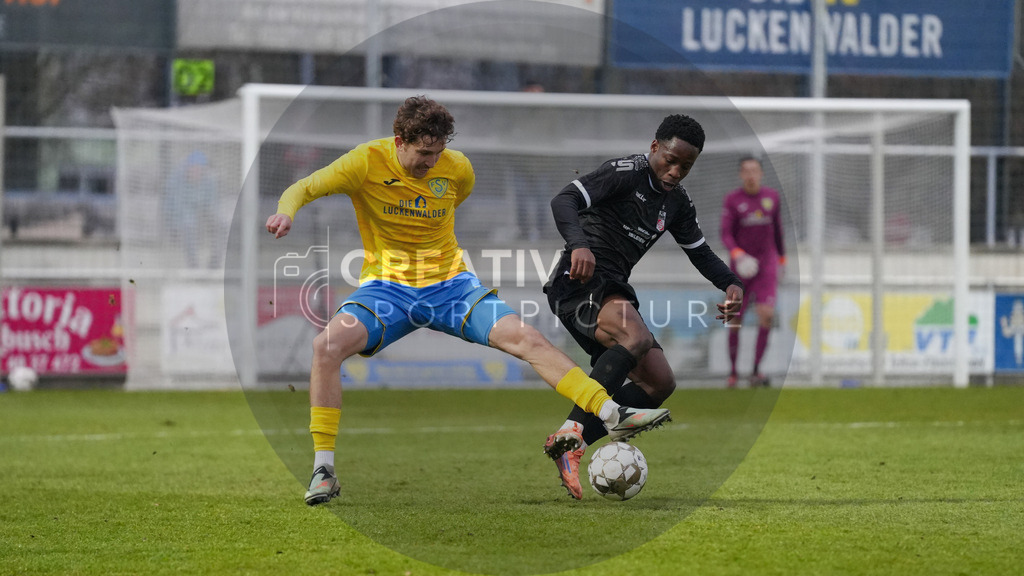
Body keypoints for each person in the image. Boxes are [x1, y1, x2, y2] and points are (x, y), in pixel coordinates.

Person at [265, 96, 671, 506]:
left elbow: (454, 197)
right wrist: (286, 212)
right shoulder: (363, 162)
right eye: (424, 153)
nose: (431, 162)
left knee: (525, 337)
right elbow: (305, 186)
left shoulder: (457, 168)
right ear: (399, 140)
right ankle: (323, 469)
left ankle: (609, 412)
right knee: (326, 347)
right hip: (388, 288)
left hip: (451, 287)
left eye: (438, 153)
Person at [541, 114, 744, 499]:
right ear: (654, 148)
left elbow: (700, 252)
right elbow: (563, 199)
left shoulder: (677, 204)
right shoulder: (624, 172)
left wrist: (732, 282)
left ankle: (572, 444)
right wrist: (579, 243)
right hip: (580, 280)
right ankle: (571, 429)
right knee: (634, 335)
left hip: (615, 287)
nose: (675, 170)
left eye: (686, 165)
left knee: (658, 383)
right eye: (670, 159)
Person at [720, 156, 785, 388]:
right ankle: (733, 373)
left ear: (761, 173)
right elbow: (725, 233)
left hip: (766, 265)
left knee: (766, 314)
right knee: (734, 320)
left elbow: (778, 231)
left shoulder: (772, 198)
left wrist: (782, 258)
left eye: (754, 170)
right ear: (740, 174)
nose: (750, 175)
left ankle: (757, 371)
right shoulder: (732, 200)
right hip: (740, 268)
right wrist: (738, 254)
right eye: (746, 171)